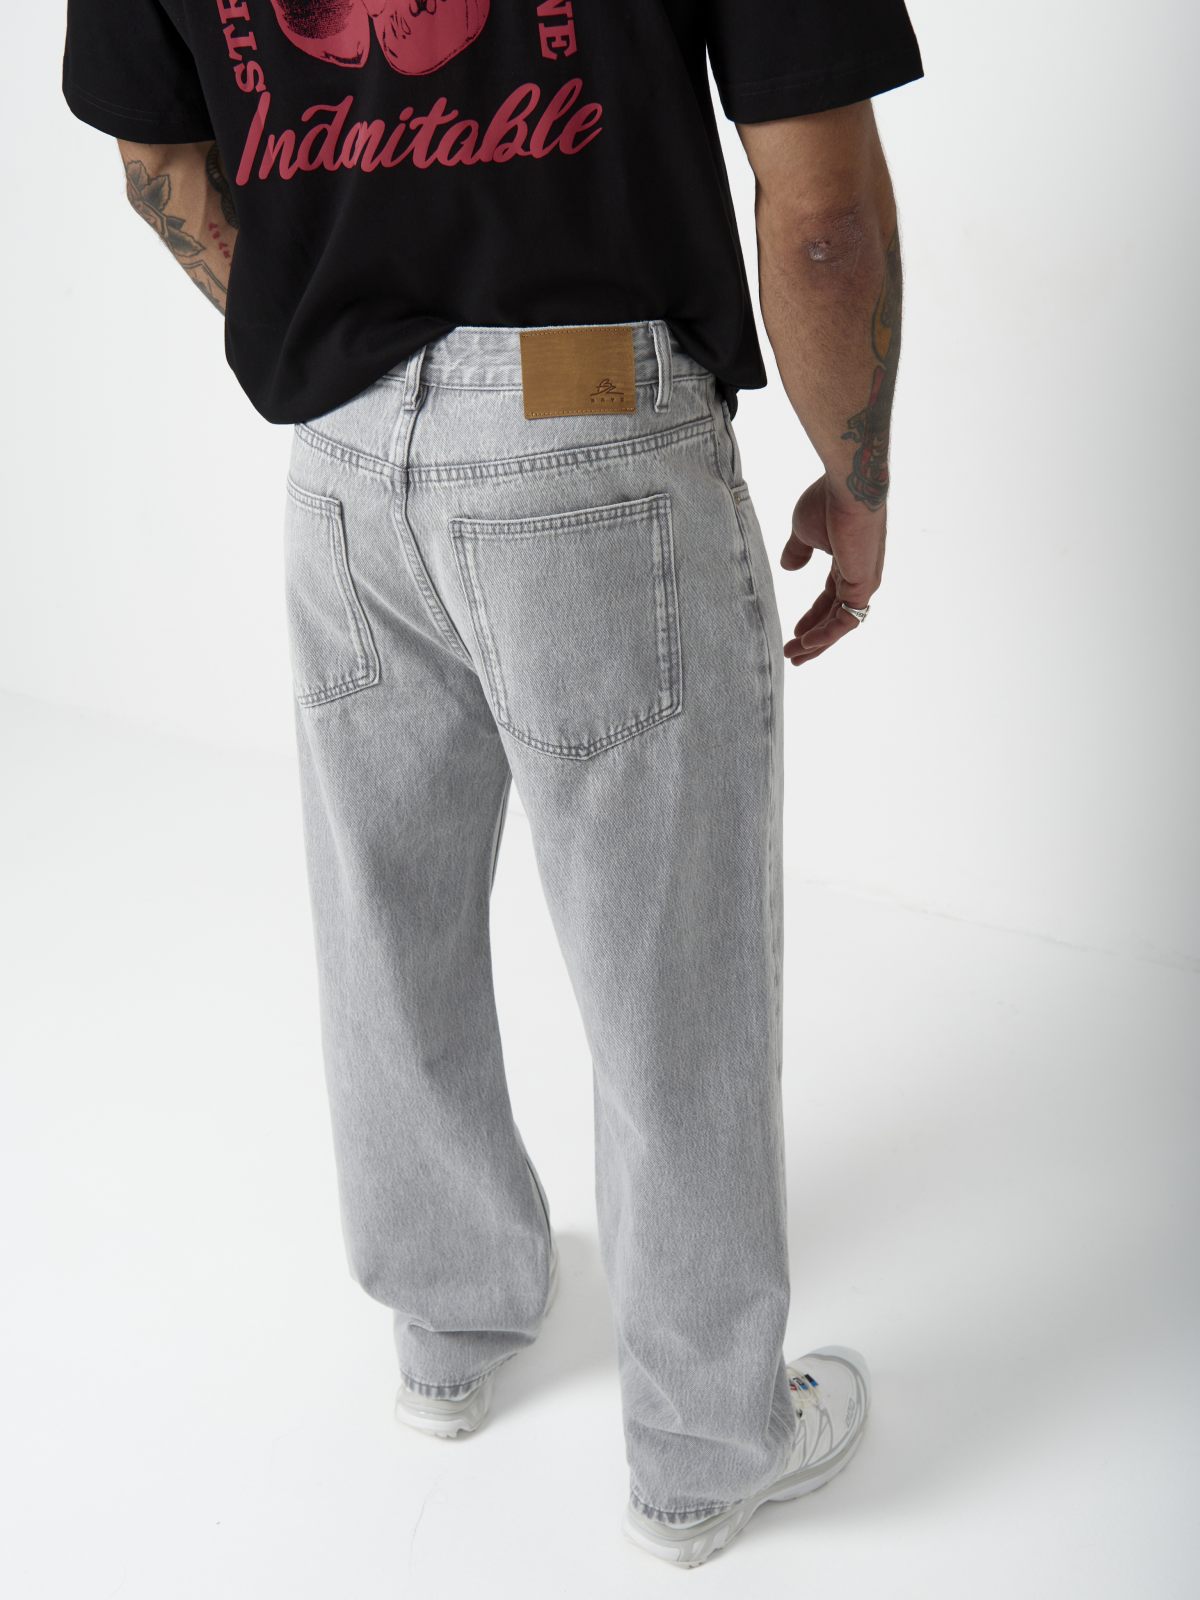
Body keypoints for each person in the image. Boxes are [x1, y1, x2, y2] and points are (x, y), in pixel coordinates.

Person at [62, 0, 923, 1568]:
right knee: (668, 954)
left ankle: (451, 1326)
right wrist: (854, 472)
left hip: (340, 462)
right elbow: (821, 218)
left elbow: (153, 157)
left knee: (382, 909)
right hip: (589, 439)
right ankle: (707, 1446)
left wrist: (346, 343)